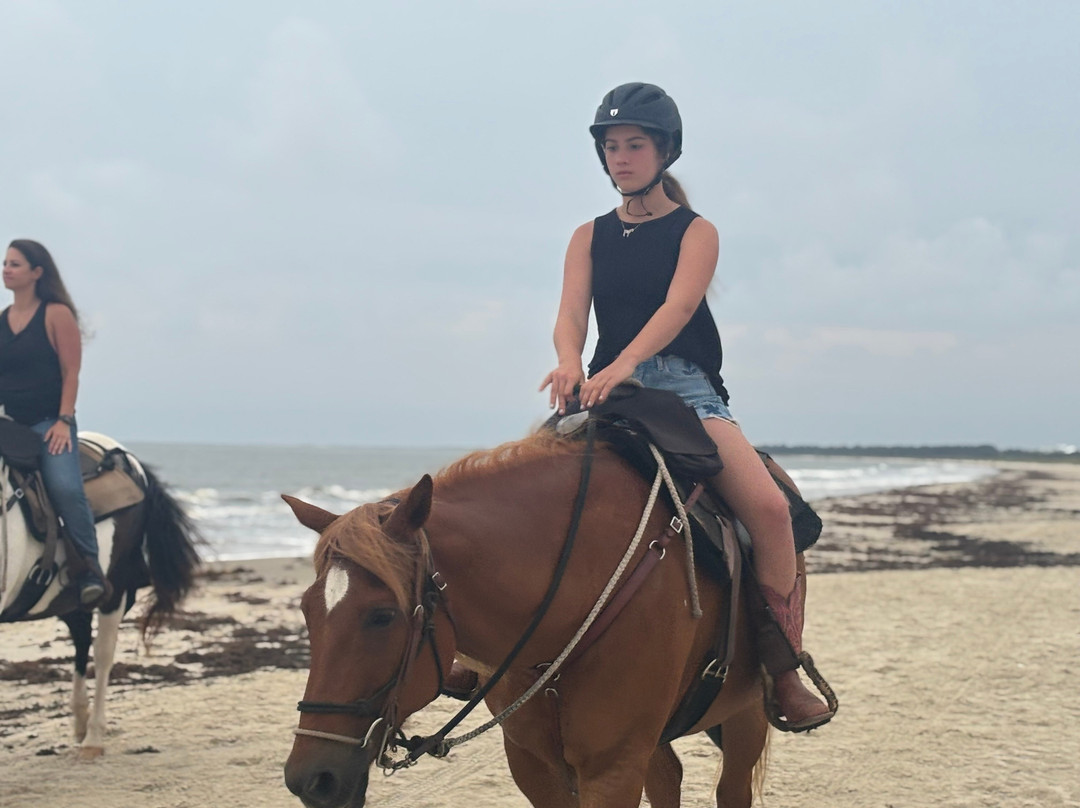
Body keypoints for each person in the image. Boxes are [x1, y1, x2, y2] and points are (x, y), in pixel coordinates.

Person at [539, 83, 834, 731]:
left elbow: (676, 311)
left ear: (665, 151)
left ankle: (783, 673)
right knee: (524, 497)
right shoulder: (587, 236)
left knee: (770, 512)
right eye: (612, 147)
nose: (621, 158)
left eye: (634, 145)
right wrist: (569, 360)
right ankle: (482, 658)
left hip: (685, 390)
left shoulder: (697, 233)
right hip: (603, 392)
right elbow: (569, 316)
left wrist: (622, 363)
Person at [0, 239, 105, 606]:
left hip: (49, 422)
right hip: (8, 423)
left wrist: (64, 420)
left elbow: (71, 371)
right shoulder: (1, 320)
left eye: (15, 264)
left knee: (64, 488)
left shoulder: (55, 313)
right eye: (5, 263)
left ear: (37, 272)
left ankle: (90, 570)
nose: (6, 270)